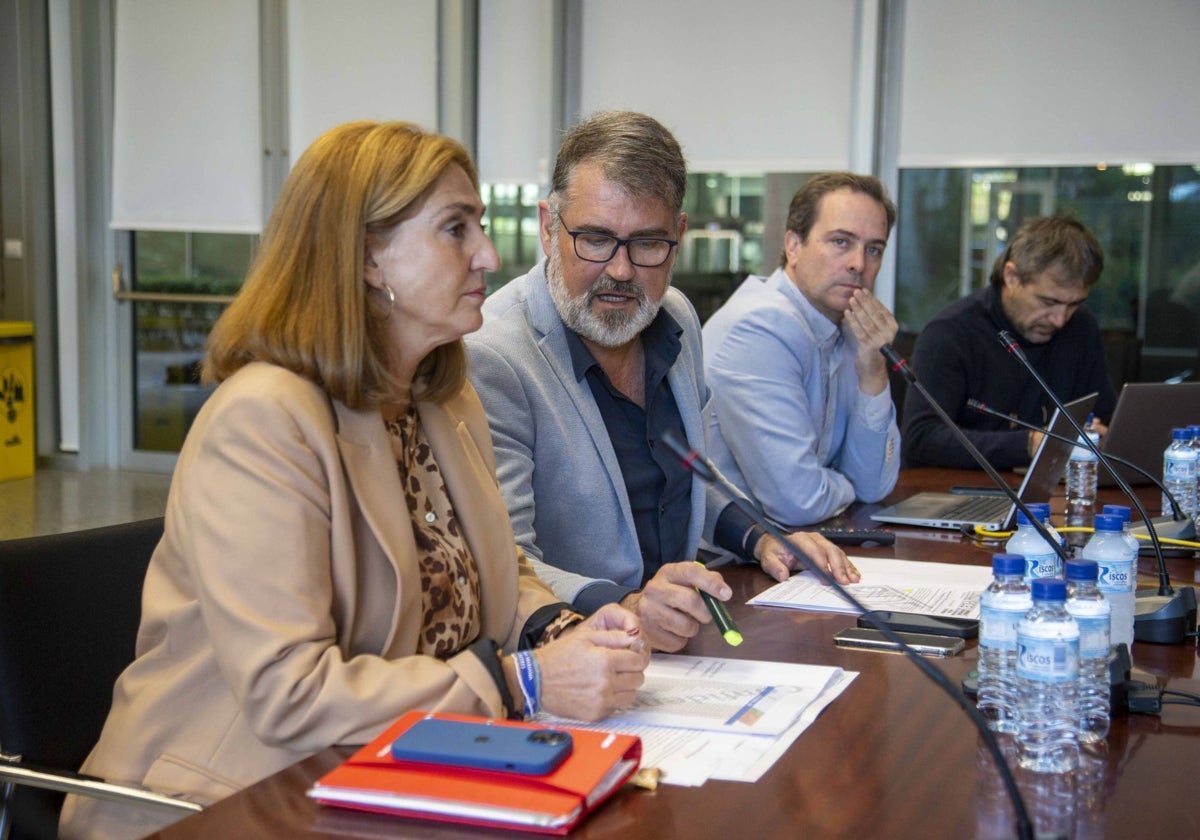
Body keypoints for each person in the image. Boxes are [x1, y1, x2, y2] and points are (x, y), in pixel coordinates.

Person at [59, 121, 649, 840]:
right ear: (369, 257)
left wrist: (561, 628)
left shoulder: (439, 394)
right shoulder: (263, 420)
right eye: (455, 230)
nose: (489, 256)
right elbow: (289, 695)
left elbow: (490, 566)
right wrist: (522, 682)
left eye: (481, 227)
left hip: (392, 774)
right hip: (226, 799)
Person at [465, 111, 856, 654]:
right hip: (578, 656)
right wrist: (624, 606)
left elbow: (693, 474)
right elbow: (507, 561)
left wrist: (761, 535)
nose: (622, 271)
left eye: (647, 244)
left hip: (688, 643)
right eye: (596, 239)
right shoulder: (493, 354)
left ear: (678, 236)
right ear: (548, 229)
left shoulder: (674, 317)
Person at [702, 172, 901, 527]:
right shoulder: (759, 328)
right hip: (726, 563)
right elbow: (798, 501)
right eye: (841, 242)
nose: (859, 263)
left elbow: (875, 486)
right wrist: (845, 483)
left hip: (805, 546)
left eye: (874, 249)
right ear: (794, 246)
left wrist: (874, 370)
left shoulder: (852, 329)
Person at [901, 215, 1117, 470]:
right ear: (1011, 276)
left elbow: (1105, 414)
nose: (1060, 320)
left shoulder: (1080, 327)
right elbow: (920, 439)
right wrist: (1028, 445)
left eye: (1073, 304)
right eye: (1049, 302)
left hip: (1059, 491)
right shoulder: (950, 333)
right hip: (960, 494)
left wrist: (1104, 435)